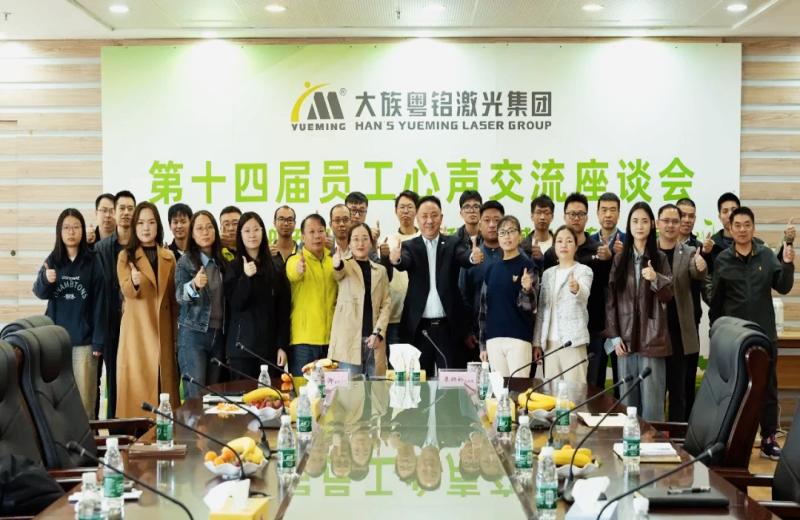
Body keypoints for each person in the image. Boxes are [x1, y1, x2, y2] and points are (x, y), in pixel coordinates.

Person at [708, 206, 794, 460]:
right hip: (735, 338)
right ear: (730, 228)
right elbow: (716, 302)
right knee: (734, 389)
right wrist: (716, 331)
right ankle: (731, 440)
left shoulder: (766, 255)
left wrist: (788, 263)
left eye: (747, 225)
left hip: (764, 336)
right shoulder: (723, 260)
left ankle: (768, 439)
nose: (742, 230)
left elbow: (783, 286)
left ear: (753, 228)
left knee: (768, 389)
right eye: (737, 225)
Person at [391, 195, 481, 374]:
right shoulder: (410, 246)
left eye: (434, 215)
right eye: (424, 216)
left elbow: (463, 256)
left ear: (441, 218)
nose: (429, 221)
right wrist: (396, 259)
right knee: (418, 381)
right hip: (418, 328)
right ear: (417, 219)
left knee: (451, 379)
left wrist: (472, 257)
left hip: (447, 328)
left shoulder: (452, 243)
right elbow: (404, 261)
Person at [604, 201, 673, 422]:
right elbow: (611, 301)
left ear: (652, 225)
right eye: (635, 221)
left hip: (653, 339)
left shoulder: (660, 258)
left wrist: (656, 278)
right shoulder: (619, 259)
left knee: (653, 405)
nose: (640, 226)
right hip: (624, 340)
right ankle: (629, 442)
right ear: (629, 225)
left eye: (644, 221)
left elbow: (668, 295)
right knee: (627, 405)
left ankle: (653, 443)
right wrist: (615, 337)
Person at [32, 208, 105, 419]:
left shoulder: (93, 260)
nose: (71, 232)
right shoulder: (53, 260)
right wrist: (46, 279)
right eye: (66, 228)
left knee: (85, 402)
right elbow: (39, 292)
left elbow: (101, 301)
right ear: (59, 232)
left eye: (75, 227)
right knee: (59, 400)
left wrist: (98, 341)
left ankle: (88, 438)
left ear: (82, 230)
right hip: (56, 343)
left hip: (85, 342)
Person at [543, 193, 613, 391]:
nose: (576, 218)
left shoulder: (599, 250)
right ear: (564, 216)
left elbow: (610, 286)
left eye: (580, 214)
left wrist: (609, 260)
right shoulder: (551, 254)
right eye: (571, 214)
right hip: (560, 332)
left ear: (587, 217)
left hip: (593, 328)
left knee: (590, 387)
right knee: (555, 390)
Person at [116, 202, 180, 417]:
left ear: (158, 226)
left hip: (163, 331)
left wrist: (175, 336)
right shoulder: (126, 256)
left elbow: (173, 300)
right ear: (134, 226)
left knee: (165, 391)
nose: (146, 228)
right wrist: (134, 282)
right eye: (141, 223)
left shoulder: (169, 257)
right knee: (138, 394)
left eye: (151, 222)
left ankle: (164, 433)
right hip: (138, 334)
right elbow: (126, 290)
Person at [656, 204, 707, 422]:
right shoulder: (648, 251)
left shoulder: (688, 252)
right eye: (666, 221)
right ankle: (655, 435)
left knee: (679, 392)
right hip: (654, 334)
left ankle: (678, 437)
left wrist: (701, 266)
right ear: (657, 224)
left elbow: (696, 272)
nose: (670, 225)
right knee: (655, 392)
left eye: (674, 221)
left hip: (679, 334)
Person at [225, 212, 291, 377]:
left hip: (269, 350)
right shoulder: (233, 267)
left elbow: (283, 310)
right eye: (247, 231)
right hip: (241, 351)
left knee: (271, 393)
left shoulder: (276, 268)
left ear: (263, 232)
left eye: (256, 229)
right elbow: (235, 303)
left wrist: (282, 346)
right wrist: (246, 278)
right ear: (240, 235)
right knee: (242, 394)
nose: (252, 235)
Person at [175, 210, 227, 399]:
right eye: (199, 228)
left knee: (213, 398)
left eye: (209, 227)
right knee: (195, 397)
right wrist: (194, 285)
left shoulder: (222, 262)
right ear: (193, 235)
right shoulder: (185, 262)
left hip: (219, 337)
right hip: (193, 336)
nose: (205, 232)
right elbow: (179, 296)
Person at [477, 215, 537, 377]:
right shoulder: (491, 269)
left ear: (520, 236)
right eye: (502, 233)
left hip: (519, 338)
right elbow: (484, 309)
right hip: (493, 339)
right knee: (498, 388)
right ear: (498, 237)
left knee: (518, 388)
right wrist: (483, 344)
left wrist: (527, 289)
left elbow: (531, 308)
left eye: (511, 231)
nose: (507, 236)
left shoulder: (528, 266)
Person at [532, 225, 593, 383]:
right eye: (559, 241)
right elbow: (541, 310)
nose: (564, 245)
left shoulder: (584, 271)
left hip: (573, 342)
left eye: (569, 241)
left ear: (576, 246)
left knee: (576, 392)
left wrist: (576, 289)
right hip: (550, 344)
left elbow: (584, 294)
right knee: (551, 393)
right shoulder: (547, 274)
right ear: (554, 246)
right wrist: (537, 342)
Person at [94, 190, 136, 419]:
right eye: (122, 208)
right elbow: (99, 291)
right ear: (115, 212)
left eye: (131, 208)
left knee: (136, 378)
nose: (126, 212)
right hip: (111, 325)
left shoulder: (142, 245)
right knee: (113, 380)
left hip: (137, 326)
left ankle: (137, 429)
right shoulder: (101, 249)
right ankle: (115, 428)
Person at [330, 223, 392, 377]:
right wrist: (337, 265)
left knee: (377, 389)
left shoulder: (381, 271)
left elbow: (386, 304)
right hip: (348, 342)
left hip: (374, 340)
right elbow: (338, 273)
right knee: (350, 389)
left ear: (371, 243)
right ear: (349, 244)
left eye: (365, 239)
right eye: (355, 239)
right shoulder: (344, 265)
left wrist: (378, 334)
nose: (360, 243)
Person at [285, 214, 338, 376]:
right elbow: (293, 272)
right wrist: (299, 268)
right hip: (303, 342)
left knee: (331, 389)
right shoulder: (295, 260)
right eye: (311, 232)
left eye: (321, 231)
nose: (317, 236)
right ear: (302, 236)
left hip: (331, 342)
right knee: (303, 389)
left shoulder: (333, 263)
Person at [462, 201, 507, 355]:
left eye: (497, 220)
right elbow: (463, 296)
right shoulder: (471, 258)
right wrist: (467, 331)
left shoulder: (516, 256)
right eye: (487, 220)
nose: (492, 225)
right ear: (480, 225)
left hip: (508, 335)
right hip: (476, 337)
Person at [675, 197, 706, 418]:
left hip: (690, 321)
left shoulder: (700, 248)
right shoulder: (658, 245)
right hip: (662, 324)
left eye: (691, 216)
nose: (687, 220)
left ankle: (687, 430)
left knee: (687, 381)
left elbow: (705, 281)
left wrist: (705, 260)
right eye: (682, 215)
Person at [379, 190, 420, 349]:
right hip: (394, 314)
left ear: (417, 210)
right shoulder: (387, 241)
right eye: (402, 207)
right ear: (396, 211)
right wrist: (384, 256)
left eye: (410, 207)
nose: (406, 211)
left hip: (419, 315)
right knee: (395, 362)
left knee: (420, 362)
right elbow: (382, 276)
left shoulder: (424, 239)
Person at [521, 194, 555, 272]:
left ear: (552, 217)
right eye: (538, 212)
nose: (542, 217)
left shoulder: (559, 245)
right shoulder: (523, 246)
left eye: (546, 213)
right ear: (532, 216)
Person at [346, 191, 381, 259]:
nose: (357, 216)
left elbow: (375, 264)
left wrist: (373, 243)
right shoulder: (334, 241)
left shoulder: (368, 238)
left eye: (361, 211)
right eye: (353, 210)